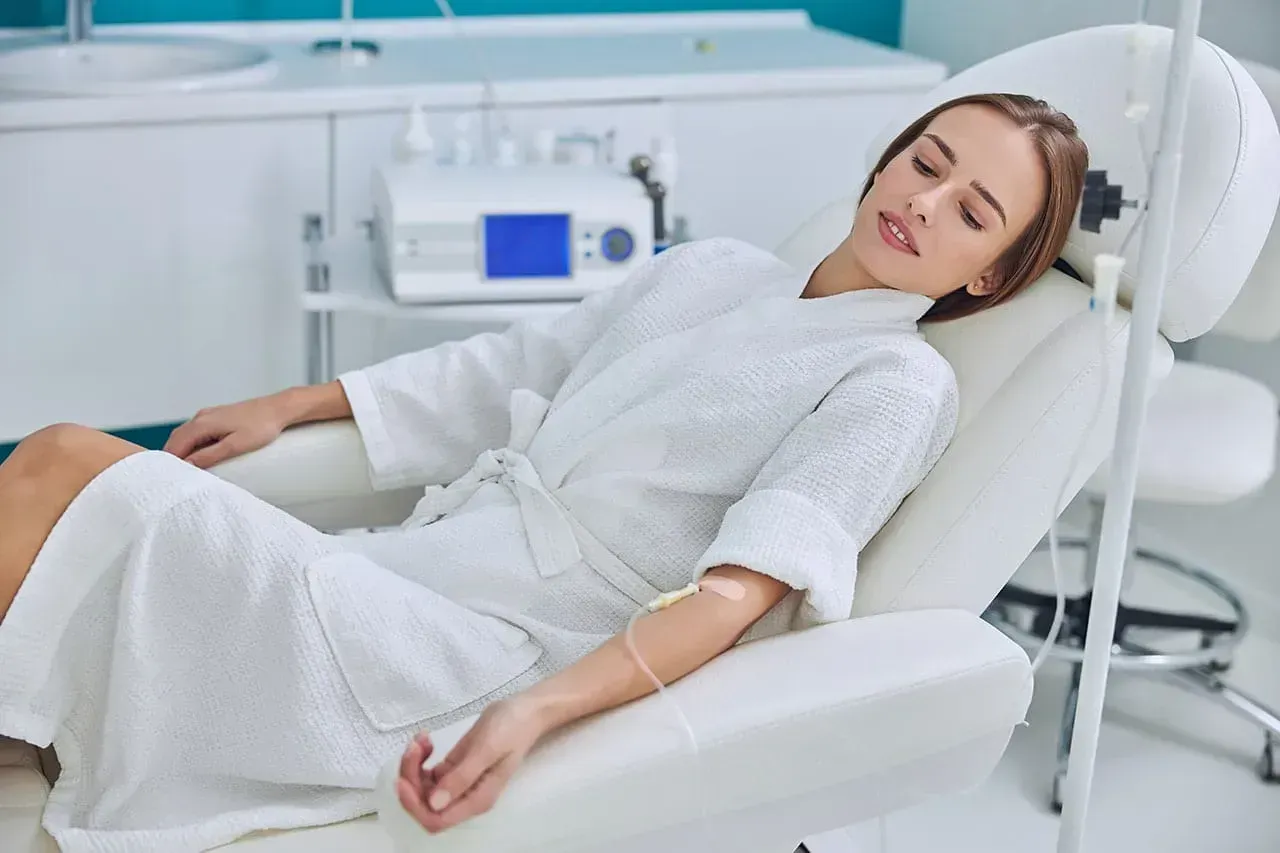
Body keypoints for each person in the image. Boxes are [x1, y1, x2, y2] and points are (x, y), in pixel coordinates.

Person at [0, 92, 1087, 851]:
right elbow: (507, 369)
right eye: (925, 163)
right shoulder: (714, 271)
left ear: (987, 275)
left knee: (62, 460)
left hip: (497, 654)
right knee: (74, 488)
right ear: (890, 154)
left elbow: (734, 596)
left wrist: (533, 716)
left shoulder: (894, 384)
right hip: (426, 571)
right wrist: (293, 401)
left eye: (971, 214)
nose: (923, 203)